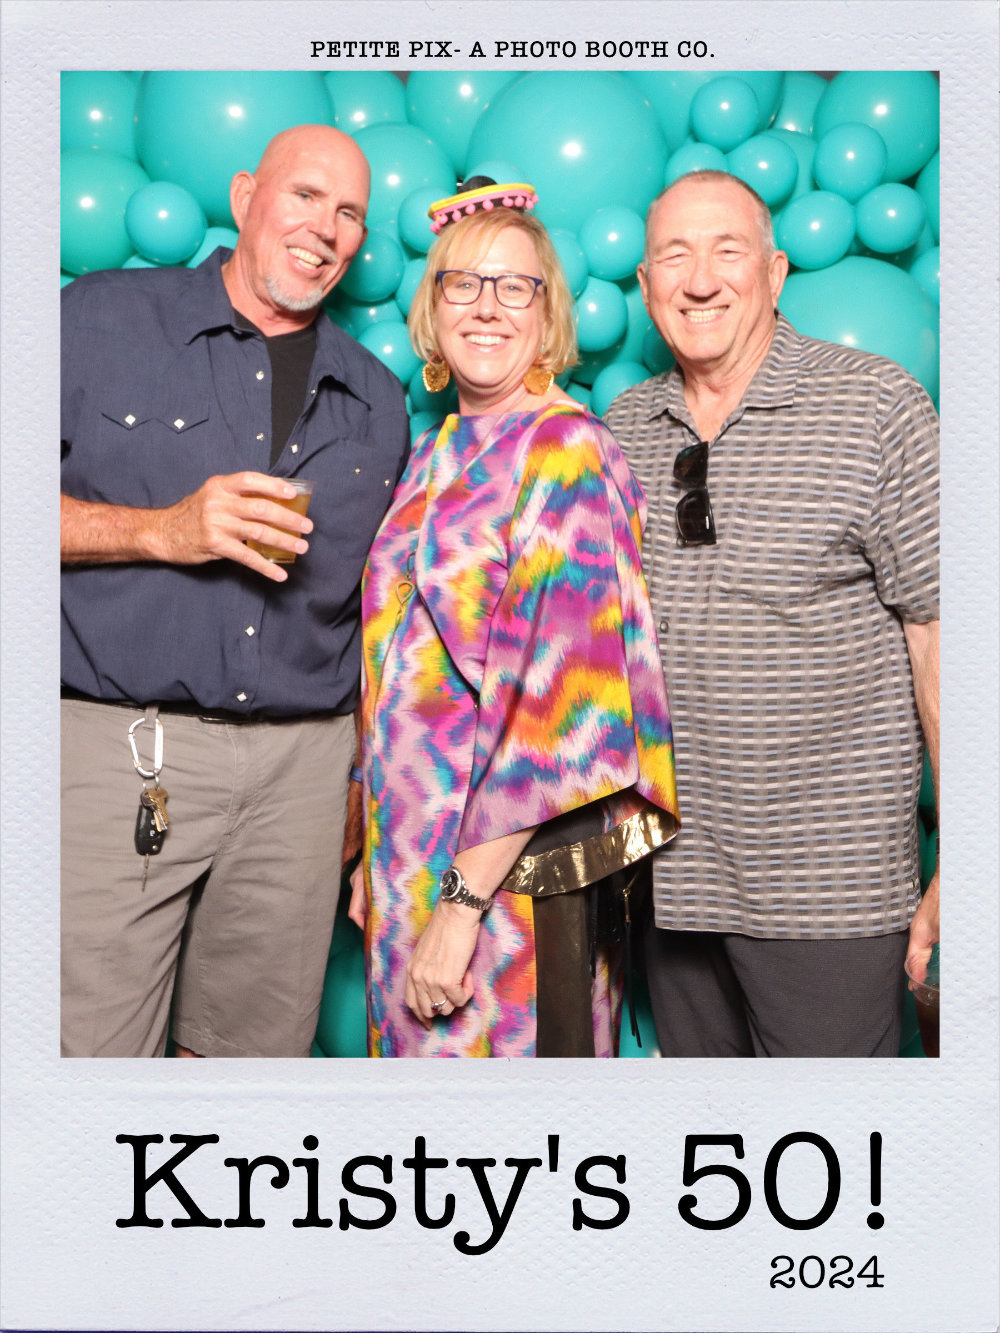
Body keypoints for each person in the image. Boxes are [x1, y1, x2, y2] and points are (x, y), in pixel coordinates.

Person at [60, 125, 410, 1058]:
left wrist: (359, 780)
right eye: (305, 196)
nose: (325, 228)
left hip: (305, 775)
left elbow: (378, 613)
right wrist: (159, 529)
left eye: (349, 214)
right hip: (124, 749)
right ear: (246, 195)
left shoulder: (379, 398)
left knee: (251, 1069)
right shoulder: (97, 319)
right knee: (88, 1056)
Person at [604, 170, 939, 1058]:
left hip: (829, 889)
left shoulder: (877, 404)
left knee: (831, 1135)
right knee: (710, 1135)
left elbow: (941, 632)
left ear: (776, 271)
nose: (700, 279)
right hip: (671, 881)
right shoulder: (625, 425)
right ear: (645, 284)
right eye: (674, 255)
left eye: (728, 251)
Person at [348, 181, 680, 1057]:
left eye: (514, 286)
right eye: (463, 283)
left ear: (547, 314)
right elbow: (399, 666)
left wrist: (460, 907)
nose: (487, 306)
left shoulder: (566, 449)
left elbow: (563, 714)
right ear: (433, 308)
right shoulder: (433, 452)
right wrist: (376, 855)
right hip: (409, 862)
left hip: (508, 880)